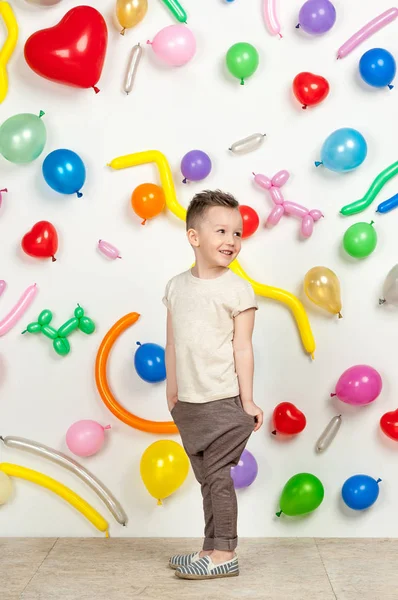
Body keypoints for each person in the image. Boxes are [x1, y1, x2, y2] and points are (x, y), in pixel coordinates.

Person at [163, 190, 264, 580]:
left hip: (224, 401)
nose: (232, 241)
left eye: (237, 234)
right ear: (194, 237)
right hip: (188, 403)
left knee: (219, 477)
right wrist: (172, 392)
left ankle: (226, 555)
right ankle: (209, 548)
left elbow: (243, 346)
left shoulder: (238, 289)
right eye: (222, 231)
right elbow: (172, 342)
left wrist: (249, 400)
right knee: (206, 480)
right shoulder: (175, 287)